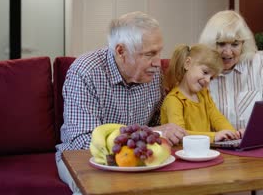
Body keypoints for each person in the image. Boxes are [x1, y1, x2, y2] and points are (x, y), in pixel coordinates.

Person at [55, 11, 187, 193]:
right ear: (121, 51)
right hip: (82, 158)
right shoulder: (85, 72)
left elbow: (159, 123)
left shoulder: (153, 74)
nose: (158, 62)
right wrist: (150, 133)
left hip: (136, 155)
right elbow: (84, 141)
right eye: (150, 54)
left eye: (159, 52)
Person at [199, 10, 263, 195]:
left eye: (235, 44)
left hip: (259, 151)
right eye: (221, 44)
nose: (228, 52)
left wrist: (258, 130)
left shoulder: (259, 63)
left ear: (244, 44)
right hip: (216, 154)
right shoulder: (200, 70)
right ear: (210, 44)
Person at [161, 44, 240, 142]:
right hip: (180, 153)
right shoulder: (174, 100)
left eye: (211, 78)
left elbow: (217, 117)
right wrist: (214, 136)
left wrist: (231, 133)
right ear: (187, 64)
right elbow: (179, 134)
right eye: (205, 72)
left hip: (202, 152)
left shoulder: (204, 94)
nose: (207, 80)